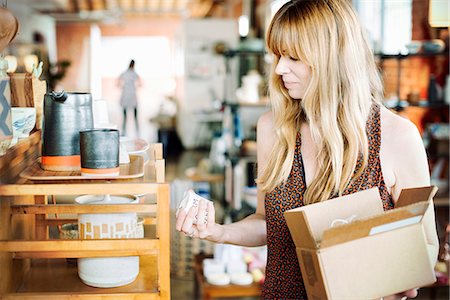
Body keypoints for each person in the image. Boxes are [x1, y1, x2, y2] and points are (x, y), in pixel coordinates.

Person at [176, 0, 439, 299]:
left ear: (333, 58)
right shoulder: (274, 128)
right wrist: (219, 232)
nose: (278, 68)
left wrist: (399, 278)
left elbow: (427, 245)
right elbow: (268, 223)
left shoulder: (396, 136)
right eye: (277, 55)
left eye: (293, 57)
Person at [117, 59, 141, 136]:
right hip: (131, 95)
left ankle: (125, 131)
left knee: (125, 115)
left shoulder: (125, 73)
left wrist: (121, 86)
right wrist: (136, 87)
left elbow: (118, 81)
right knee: (134, 115)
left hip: (126, 95)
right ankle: (137, 130)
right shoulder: (134, 74)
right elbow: (140, 83)